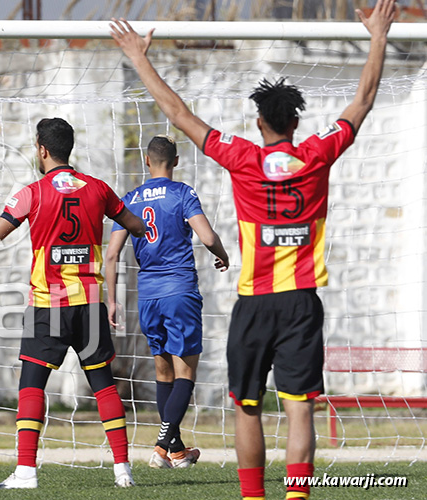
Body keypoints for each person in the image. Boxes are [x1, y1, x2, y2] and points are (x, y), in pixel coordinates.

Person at [109, 1, 398, 498]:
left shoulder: (242, 157)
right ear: (295, 124)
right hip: (301, 301)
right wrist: (377, 36)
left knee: (247, 407)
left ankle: (253, 495)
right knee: (300, 408)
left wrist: (138, 57)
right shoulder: (317, 154)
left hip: (255, 303)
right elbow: (363, 100)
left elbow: (179, 114)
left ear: (260, 123)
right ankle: (297, 495)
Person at [0, 118, 146, 489]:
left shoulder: (33, 193)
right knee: (104, 386)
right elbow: (136, 226)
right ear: (68, 148)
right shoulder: (99, 189)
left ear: (41, 149)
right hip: (90, 302)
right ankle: (122, 471)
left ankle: (26, 472)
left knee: (32, 385)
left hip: (49, 304)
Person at [103, 134, 229, 470]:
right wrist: (223, 254)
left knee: (163, 371)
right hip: (179, 290)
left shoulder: (130, 199)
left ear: (147, 161)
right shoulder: (183, 193)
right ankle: (161, 447)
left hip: (148, 295)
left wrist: (112, 301)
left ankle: (177, 451)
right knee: (185, 371)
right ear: (176, 161)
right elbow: (207, 236)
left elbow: (111, 255)